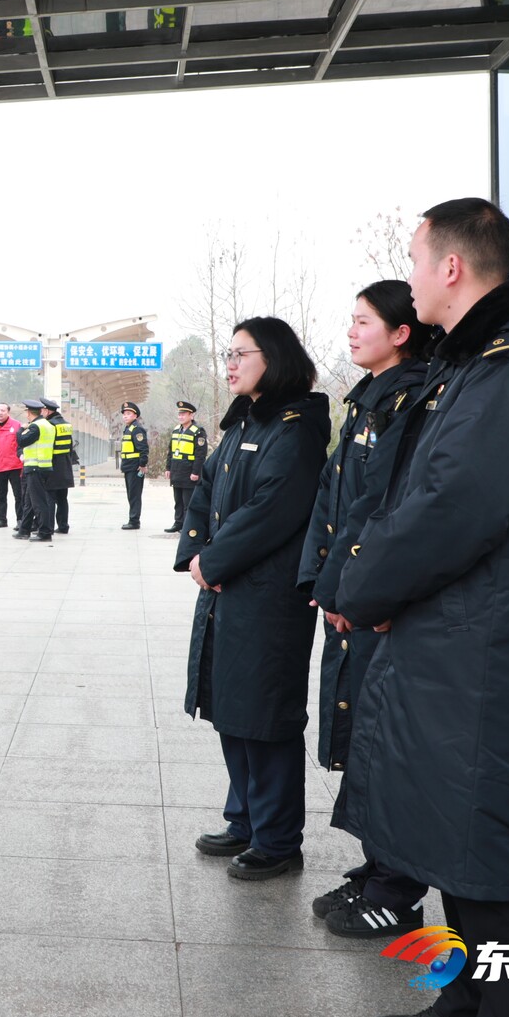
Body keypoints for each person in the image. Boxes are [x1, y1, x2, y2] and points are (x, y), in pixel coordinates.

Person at [336, 199, 509, 1017]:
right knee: (453, 836)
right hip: (454, 637)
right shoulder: (473, 361)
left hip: (488, 648)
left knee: (489, 850)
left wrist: (363, 586)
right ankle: (466, 1006)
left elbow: (452, 507)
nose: (409, 277)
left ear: (451, 267)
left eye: (415, 259)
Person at [294, 281, 431, 939]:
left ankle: (397, 890)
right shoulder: (367, 402)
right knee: (363, 738)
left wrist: (354, 593)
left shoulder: (412, 401)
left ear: (401, 333)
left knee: (389, 744)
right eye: (350, 321)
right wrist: (323, 584)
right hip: (352, 597)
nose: (351, 332)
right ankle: (377, 869)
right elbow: (333, 500)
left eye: (363, 322)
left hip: (376, 606)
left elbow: (383, 510)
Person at [175, 317, 328, 883]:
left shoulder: (296, 428)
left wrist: (213, 562)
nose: (231, 365)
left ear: (275, 358)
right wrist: (197, 555)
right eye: (228, 354)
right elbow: (206, 488)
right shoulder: (244, 420)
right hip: (228, 590)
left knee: (266, 716)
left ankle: (277, 839)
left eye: (242, 354)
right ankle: (244, 819)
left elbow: (272, 511)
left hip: (267, 597)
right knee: (232, 709)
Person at [14, 399, 55, 542]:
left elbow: (21, 441)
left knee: (38, 502)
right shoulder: (48, 425)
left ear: (29, 413)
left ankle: (45, 532)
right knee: (29, 502)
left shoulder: (35, 427)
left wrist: (21, 429)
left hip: (35, 467)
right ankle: (24, 530)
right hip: (43, 466)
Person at [165, 400, 208, 532]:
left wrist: (195, 472)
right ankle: (178, 523)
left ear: (191, 415)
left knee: (187, 502)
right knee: (178, 501)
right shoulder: (176, 430)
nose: (181, 416)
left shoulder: (198, 431)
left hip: (189, 472)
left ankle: (187, 526)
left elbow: (200, 454)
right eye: (179, 414)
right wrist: (168, 468)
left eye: (184, 414)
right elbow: (171, 451)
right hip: (176, 470)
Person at [0, 402, 25, 528]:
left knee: (19, 495)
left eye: (3, 410)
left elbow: (22, 444)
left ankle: (20, 520)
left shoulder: (17, 425)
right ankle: (2, 519)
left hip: (16, 467)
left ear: (8, 412)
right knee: (1, 495)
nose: (0, 413)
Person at [42, 398, 74, 534]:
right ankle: (63, 526)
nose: (41, 413)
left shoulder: (49, 425)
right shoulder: (66, 425)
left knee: (49, 498)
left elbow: (46, 446)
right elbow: (70, 447)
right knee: (62, 498)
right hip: (65, 466)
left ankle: (48, 527)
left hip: (52, 466)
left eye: (42, 410)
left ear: (48, 411)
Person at [116, 400, 148, 529]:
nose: (125, 416)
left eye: (128, 414)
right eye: (124, 414)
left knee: (134, 495)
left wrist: (142, 464)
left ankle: (134, 521)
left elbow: (143, 448)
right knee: (131, 494)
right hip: (128, 466)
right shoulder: (128, 429)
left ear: (135, 416)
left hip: (135, 467)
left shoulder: (137, 429)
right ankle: (132, 519)